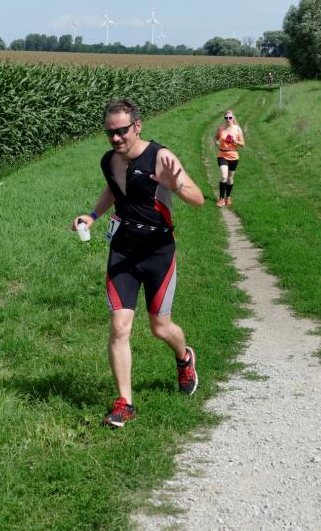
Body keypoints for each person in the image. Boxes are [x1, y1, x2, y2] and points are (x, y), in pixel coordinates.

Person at [70, 98, 205, 428]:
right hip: (123, 251)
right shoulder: (109, 160)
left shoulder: (160, 157)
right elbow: (114, 190)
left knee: (160, 328)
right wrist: (92, 215)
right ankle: (125, 403)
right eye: (110, 132)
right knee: (119, 325)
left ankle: (184, 357)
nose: (116, 138)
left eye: (122, 131)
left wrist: (176, 185)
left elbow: (199, 199)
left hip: (158, 252)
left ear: (137, 126)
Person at [213, 110, 245, 207]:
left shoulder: (237, 129)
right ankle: (221, 199)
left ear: (233, 118)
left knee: (230, 179)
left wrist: (236, 142)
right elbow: (215, 138)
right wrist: (216, 142)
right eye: (226, 118)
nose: (228, 119)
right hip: (222, 155)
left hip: (233, 156)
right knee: (224, 176)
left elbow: (243, 144)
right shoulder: (221, 129)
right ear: (224, 118)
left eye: (230, 117)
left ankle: (228, 197)